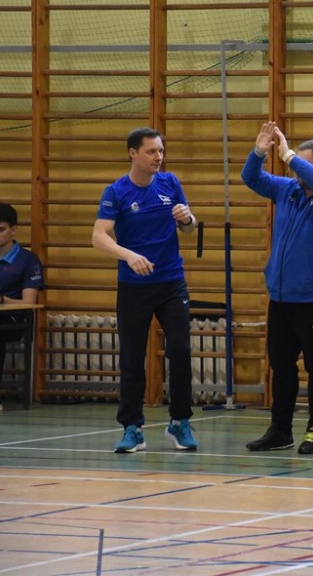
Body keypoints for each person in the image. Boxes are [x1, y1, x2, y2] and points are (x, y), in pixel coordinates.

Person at [243, 121, 313, 455]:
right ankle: (280, 431)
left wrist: (289, 155)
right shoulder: (288, 190)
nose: (292, 169)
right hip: (281, 296)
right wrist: (259, 151)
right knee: (281, 365)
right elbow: (251, 178)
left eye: (300, 164)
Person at [92, 127, 198, 453]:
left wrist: (187, 218)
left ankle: (180, 421)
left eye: (161, 151)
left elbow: (189, 228)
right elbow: (99, 236)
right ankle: (132, 427)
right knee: (132, 357)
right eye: (151, 151)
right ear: (133, 153)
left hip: (171, 282)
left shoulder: (170, 183)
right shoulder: (116, 192)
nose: (158, 157)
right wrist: (128, 255)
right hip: (134, 286)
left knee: (180, 348)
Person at [0, 203, 43, 413]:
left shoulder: (28, 261)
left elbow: (29, 302)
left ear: (13, 229)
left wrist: (0, 299)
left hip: (14, 320)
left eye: (0, 229)